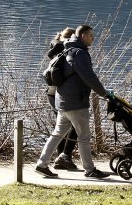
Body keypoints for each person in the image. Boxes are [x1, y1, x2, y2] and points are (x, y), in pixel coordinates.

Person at [35, 24, 112, 179]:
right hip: (76, 101)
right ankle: (89, 170)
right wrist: (104, 93)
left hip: (62, 100)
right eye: (91, 35)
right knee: (84, 136)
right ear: (82, 35)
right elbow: (89, 76)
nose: (93, 38)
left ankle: (41, 164)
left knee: (57, 134)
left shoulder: (67, 48)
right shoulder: (79, 53)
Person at [45, 27, 79, 170]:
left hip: (52, 93)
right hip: (61, 94)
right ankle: (65, 156)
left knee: (62, 127)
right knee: (75, 126)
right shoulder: (65, 51)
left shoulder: (56, 49)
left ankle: (61, 159)